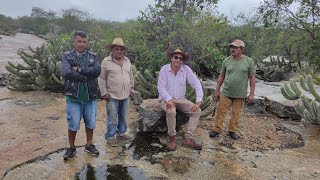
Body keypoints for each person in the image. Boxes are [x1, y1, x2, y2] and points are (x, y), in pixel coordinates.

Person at [61, 31, 101, 160]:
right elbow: (66, 73)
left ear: (87, 42)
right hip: (73, 97)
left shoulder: (93, 56)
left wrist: (78, 69)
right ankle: (71, 147)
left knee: (91, 122)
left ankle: (89, 145)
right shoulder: (67, 56)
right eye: (79, 41)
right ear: (74, 42)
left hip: (91, 97)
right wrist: (85, 77)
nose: (82, 44)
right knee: (73, 124)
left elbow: (96, 71)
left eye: (84, 42)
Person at [157, 49, 203, 151]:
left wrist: (198, 100)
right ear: (171, 58)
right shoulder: (164, 69)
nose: (178, 60)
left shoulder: (186, 69)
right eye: (176, 57)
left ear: (183, 61)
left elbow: (196, 83)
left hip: (181, 99)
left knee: (197, 111)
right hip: (166, 98)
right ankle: (172, 138)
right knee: (171, 111)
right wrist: (168, 99)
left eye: (180, 58)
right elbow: (160, 87)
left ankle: (188, 138)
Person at [209, 39, 255, 140]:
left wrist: (251, 94)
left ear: (242, 49)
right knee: (221, 111)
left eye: (235, 47)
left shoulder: (249, 61)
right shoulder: (227, 60)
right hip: (226, 92)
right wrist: (217, 90)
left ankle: (232, 131)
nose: (232, 49)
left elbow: (252, 78)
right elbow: (221, 76)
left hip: (240, 94)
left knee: (236, 114)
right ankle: (216, 129)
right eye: (231, 47)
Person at [98, 37, 134, 146]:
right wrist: (104, 92)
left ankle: (121, 132)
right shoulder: (106, 61)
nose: (119, 51)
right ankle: (110, 136)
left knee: (123, 115)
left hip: (125, 94)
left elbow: (131, 76)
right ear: (112, 50)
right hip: (112, 95)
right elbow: (101, 78)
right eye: (116, 49)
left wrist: (132, 89)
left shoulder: (127, 61)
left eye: (121, 49)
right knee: (112, 117)